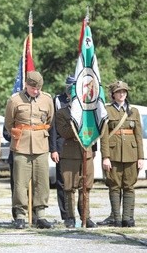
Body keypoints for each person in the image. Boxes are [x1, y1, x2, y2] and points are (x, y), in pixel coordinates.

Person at [5, 71, 54, 229]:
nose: (36, 90)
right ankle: (20, 215)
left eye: (38, 87)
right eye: (33, 87)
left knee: (42, 182)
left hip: (41, 146)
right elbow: (9, 123)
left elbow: (50, 120)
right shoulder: (15, 100)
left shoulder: (47, 99)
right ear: (26, 84)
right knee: (20, 183)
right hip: (21, 146)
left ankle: (40, 215)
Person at [100, 81, 144, 227]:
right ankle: (116, 218)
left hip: (131, 154)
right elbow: (104, 136)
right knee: (114, 186)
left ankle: (127, 218)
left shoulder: (134, 111)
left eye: (124, 91)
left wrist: (141, 157)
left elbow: (138, 136)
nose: (122, 94)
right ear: (113, 94)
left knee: (129, 186)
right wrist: (105, 157)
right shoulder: (107, 110)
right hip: (113, 154)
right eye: (119, 92)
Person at [54, 88, 97, 228]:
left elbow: (92, 131)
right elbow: (65, 132)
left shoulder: (88, 113)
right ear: (68, 96)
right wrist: (77, 121)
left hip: (86, 152)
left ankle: (86, 216)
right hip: (70, 154)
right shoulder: (61, 113)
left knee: (86, 187)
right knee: (69, 186)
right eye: (73, 95)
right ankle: (70, 217)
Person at [49, 75, 76, 222]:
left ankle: (83, 214)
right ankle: (66, 215)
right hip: (62, 146)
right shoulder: (58, 100)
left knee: (79, 182)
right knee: (63, 182)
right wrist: (53, 149)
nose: (71, 89)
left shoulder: (84, 100)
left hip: (79, 147)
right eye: (70, 86)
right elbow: (53, 127)